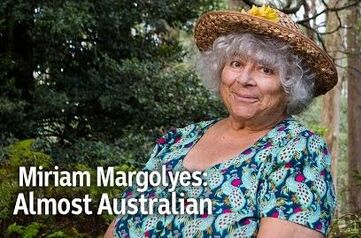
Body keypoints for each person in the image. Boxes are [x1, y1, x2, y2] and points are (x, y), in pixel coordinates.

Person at [106, 5, 337, 238]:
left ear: (290, 86)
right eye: (236, 64)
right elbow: (117, 227)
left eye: (266, 70)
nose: (244, 79)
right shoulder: (176, 141)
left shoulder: (298, 150)